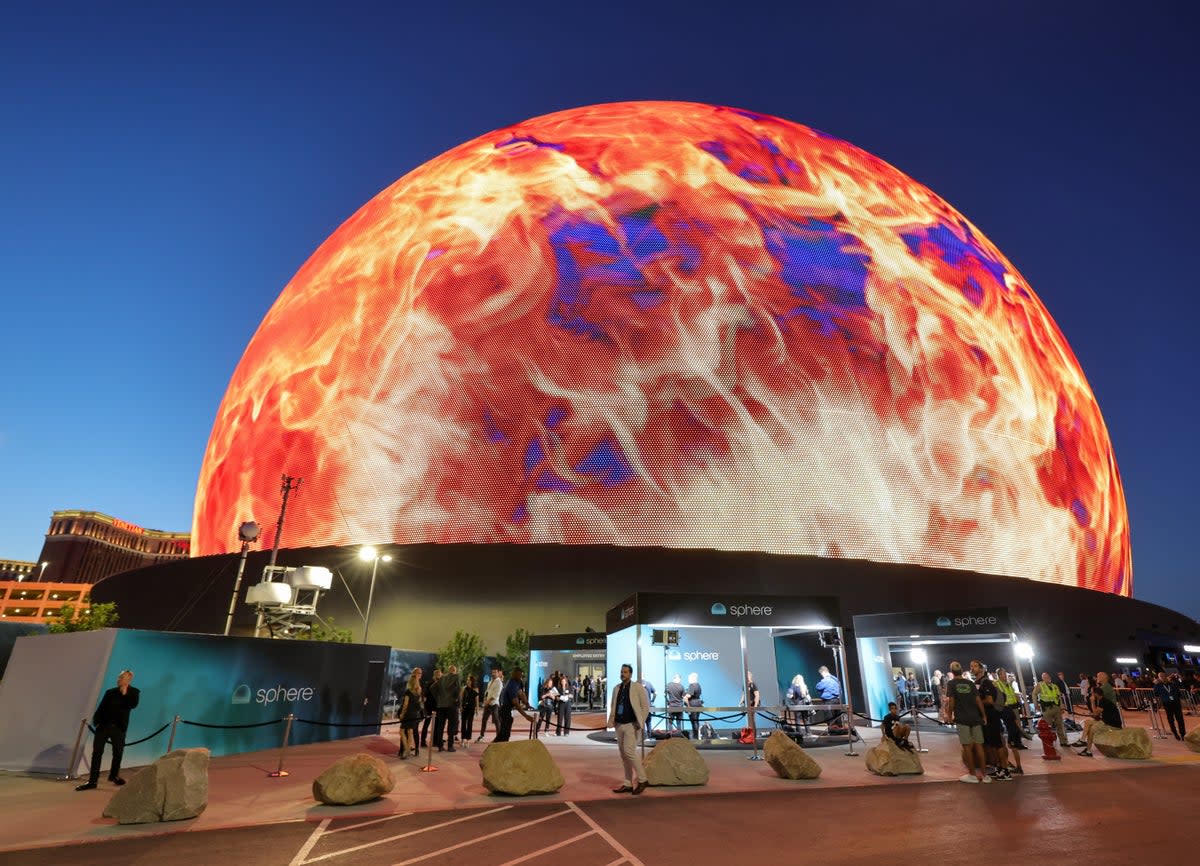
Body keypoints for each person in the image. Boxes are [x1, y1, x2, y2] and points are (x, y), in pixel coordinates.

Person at [77, 669, 140, 791]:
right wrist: (97, 722)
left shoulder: (134, 692)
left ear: (128, 679)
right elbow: (101, 708)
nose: (119, 680)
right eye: (119, 677)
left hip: (119, 728)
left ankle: (114, 776)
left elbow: (132, 705)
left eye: (122, 678)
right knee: (96, 753)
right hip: (104, 726)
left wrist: (124, 692)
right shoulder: (110, 692)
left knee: (117, 753)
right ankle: (92, 781)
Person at [608, 663, 649, 795]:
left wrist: (639, 722)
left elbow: (645, 707)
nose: (622, 674)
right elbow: (613, 705)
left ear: (630, 674)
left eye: (625, 672)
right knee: (624, 755)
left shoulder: (638, 688)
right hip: (619, 725)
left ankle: (643, 779)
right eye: (621, 672)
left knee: (629, 752)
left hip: (632, 725)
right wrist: (612, 720)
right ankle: (627, 783)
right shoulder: (617, 688)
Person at [946, 661, 989, 783]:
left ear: (952, 672)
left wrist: (949, 715)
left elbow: (951, 701)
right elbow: (978, 700)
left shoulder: (951, 683)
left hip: (962, 718)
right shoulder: (970, 683)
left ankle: (972, 775)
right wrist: (983, 715)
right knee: (979, 746)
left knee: (967, 746)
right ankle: (985, 775)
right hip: (975, 717)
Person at [970, 660, 1011, 780]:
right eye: (971, 666)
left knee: (998, 743)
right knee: (992, 744)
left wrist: (975, 703)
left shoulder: (986, 682)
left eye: (975, 666)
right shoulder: (976, 682)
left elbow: (989, 700)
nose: (972, 668)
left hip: (992, 716)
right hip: (985, 717)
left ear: (982, 669)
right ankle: (999, 768)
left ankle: (1005, 770)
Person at [1077, 671, 1123, 757]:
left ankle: (1088, 749)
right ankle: (1084, 742)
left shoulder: (1104, 695)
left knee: (1092, 729)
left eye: (1098, 676)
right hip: (1106, 718)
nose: (1096, 677)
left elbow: (1095, 713)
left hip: (1110, 721)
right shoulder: (1103, 692)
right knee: (1088, 723)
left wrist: (1092, 702)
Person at [993, 667, 1025, 775]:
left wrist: (1017, 701)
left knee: (1011, 745)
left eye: (1005, 674)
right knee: (1012, 746)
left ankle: (1007, 766)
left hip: (1009, 711)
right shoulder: (997, 684)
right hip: (1008, 711)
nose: (1005, 676)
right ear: (998, 675)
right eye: (1003, 674)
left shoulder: (1008, 685)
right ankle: (1017, 766)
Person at [495, 667, 529, 742]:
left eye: (521, 675)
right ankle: (494, 749)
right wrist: (526, 716)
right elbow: (516, 704)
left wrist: (527, 703)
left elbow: (521, 693)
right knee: (503, 734)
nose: (520, 677)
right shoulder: (511, 685)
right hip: (505, 710)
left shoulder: (518, 682)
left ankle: (501, 748)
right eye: (519, 675)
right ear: (514, 674)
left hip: (509, 710)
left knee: (506, 734)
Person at [1036, 672, 1069, 748]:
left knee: (1060, 725)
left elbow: (1059, 697)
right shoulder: (1040, 685)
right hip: (1047, 708)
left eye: (1048, 676)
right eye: (1045, 677)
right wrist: (1036, 705)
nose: (1047, 678)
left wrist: (1061, 706)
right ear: (1042, 678)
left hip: (1056, 707)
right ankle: (1049, 743)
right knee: (1048, 726)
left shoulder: (1055, 686)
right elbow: (1034, 694)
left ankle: (1063, 741)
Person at [434, 664, 462, 751]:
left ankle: (440, 746)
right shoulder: (456, 676)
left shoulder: (442, 678)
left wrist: (438, 699)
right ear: (454, 671)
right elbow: (458, 689)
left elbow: (432, 688)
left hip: (441, 706)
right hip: (451, 706)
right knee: (451, 726)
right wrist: (457, 701)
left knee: (440, 726)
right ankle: (450, 746)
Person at [398, 669, 424, 759]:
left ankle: (406, 750)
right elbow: (420, 703)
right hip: (415, 714)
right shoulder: (419, 691)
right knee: (410, 732)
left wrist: (402, 714)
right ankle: (407, 750)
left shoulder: (408, 692)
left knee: (401, 731)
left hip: (408, 714)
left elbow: (405, 705)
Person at [1154, 672, 1187, 740]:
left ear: (1166, 676)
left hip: (1176, 703)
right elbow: (1156, 694)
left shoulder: (1172, 684)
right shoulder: (1158, 686)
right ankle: (1175, 733)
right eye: (1161, 676)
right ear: (1159, 678)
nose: (1163, 677)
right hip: (1167, 704)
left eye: (1164, 676)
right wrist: (1155, 685)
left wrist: (1177, 698)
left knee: (1180, 719)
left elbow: (1178, 692)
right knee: (1171, 720)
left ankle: (1183, 734)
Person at [477, 666, 503, 742]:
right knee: (484, 720)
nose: (493, 674)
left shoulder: (499, 683)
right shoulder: (490, 681)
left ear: (498, 673)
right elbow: (487, 692)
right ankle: (481, 736)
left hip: (494, 704)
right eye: (492, 672)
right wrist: (485, 699)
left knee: (496, 720)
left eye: (495, 672)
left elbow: (496, 694)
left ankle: (499, 737)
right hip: (488, 704)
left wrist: (487, 702)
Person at [420, 669, 441, 748]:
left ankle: (435, 741)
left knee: (436, 725)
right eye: (438, 675)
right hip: (429, 707)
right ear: (434, 675)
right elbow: (425, 695)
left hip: (437, 707)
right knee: (426, 724)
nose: (439, 676)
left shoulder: (440, 684)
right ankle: (422, 741)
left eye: (440, 675)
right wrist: (424, 707)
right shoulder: (429, 683)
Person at [460, 674, 479, 742]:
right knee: (463, 723)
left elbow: (477, 700)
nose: (468, 681)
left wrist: (477, 709)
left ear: (472, 681)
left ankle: (468, 739)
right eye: (467, 680)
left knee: (470, 723)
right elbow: (461, 699)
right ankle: (462, 738)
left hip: (471, 708)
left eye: (469, 680)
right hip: (464, 707)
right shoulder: (464, 688)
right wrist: (460, 707)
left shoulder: (476, 689)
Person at [685, 673, 703, 739]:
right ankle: (697, 735)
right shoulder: (698, 685)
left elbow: (689, 695)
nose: (688, 679)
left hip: (692, 704)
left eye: (689, 678)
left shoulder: (692, 685)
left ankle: (695, 736)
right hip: (698, 704)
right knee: (696, 720)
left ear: (692, 678)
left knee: (693, 721)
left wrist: (685, 697)